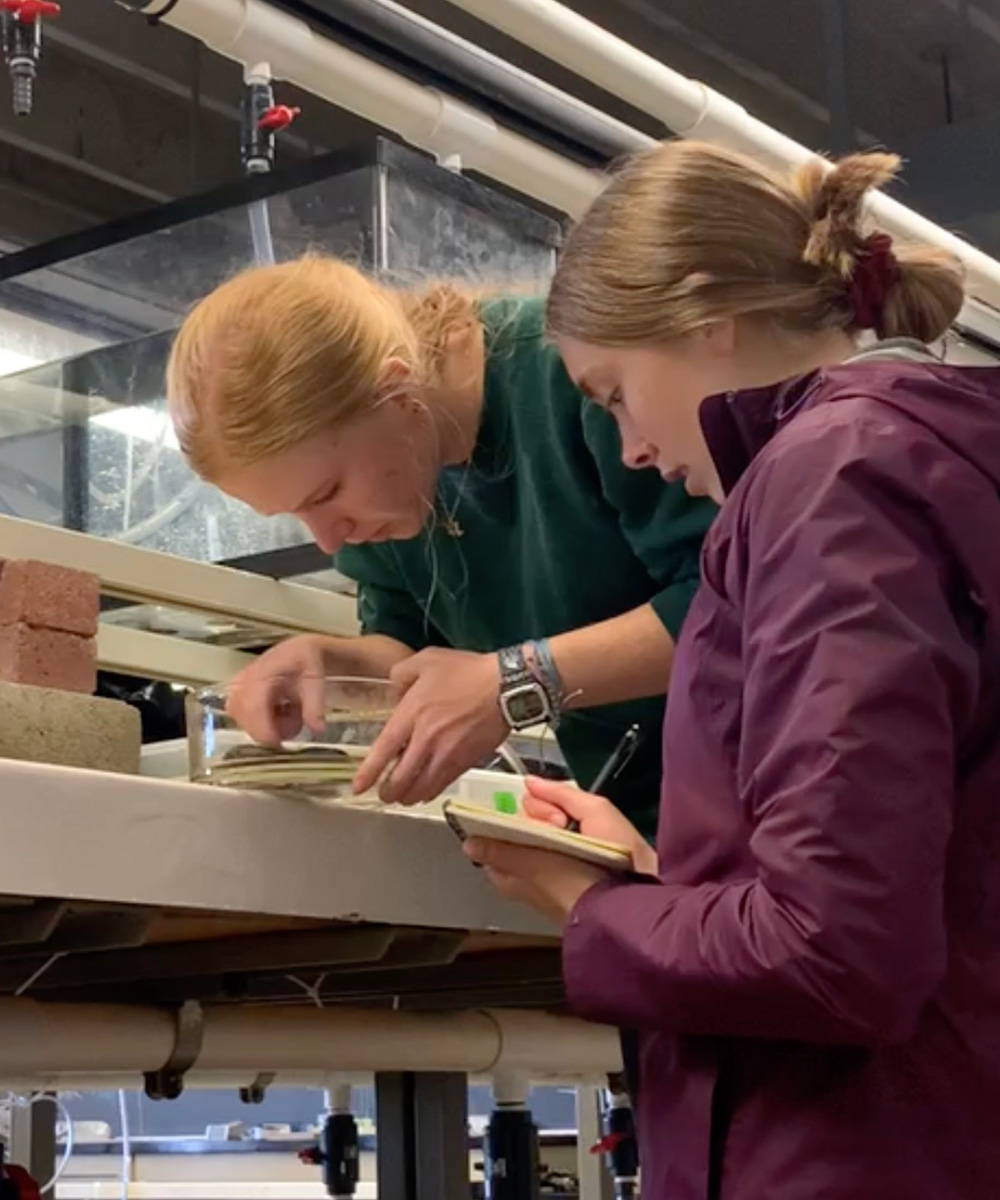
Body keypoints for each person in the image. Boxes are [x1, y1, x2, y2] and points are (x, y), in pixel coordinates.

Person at [466, 140, 1000, 1199]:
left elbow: (833, 953)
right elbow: (913, 886)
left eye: (612, 393)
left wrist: (586, 907)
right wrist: (664, 879)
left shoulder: (829, 480)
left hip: (852, 1151)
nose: (625, 449)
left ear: (704, 307)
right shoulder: (940, 455)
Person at [165, 261, 715, 833]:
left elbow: (740, 604)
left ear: (398, 390)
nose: (329, 538)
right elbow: (409, 651)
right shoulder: (394, 491)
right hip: (653, 819)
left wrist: (515, 681)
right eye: (295, 515)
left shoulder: (577, 376)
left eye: (327, 493)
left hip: (768, 775)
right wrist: (334, 666)